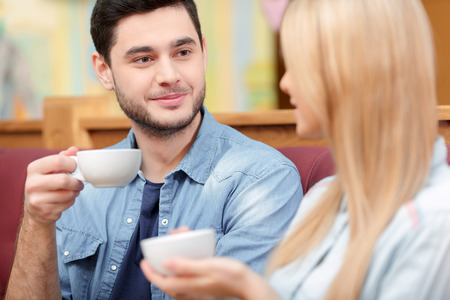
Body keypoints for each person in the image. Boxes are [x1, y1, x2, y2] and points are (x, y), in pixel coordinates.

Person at [140, 0, 450, 299]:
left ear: (354, 71)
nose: (286, 83)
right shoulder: (321, 200)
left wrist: (250, 288)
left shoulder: (435, 221)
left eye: (300, 65)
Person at [5, 0, 302, 299]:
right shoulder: (80, 187)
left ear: (203, 53)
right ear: (104, 70)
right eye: (144, 59)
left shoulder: (262, 181)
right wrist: (37, 221)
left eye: (183, 53)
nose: (169, 75)